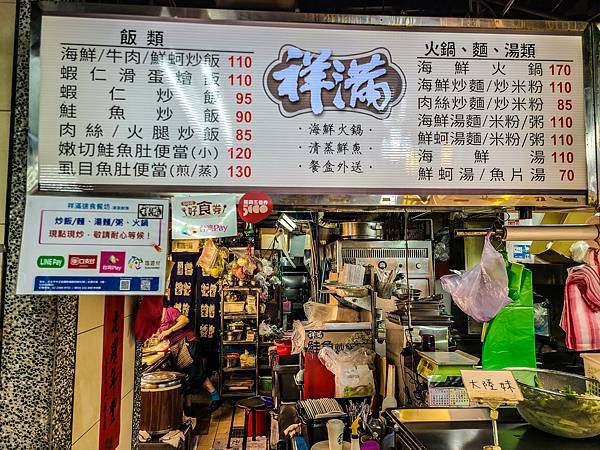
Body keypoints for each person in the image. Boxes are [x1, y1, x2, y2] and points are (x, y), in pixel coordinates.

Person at [136, 296, 222, 414]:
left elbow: (185, 320)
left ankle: (215, 398)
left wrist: (169, 331)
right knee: (186, 375)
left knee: (194, 372)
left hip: (188, 343)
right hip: (177, 347)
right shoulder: (157, 318)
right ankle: (188, 407)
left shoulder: (169, 311)